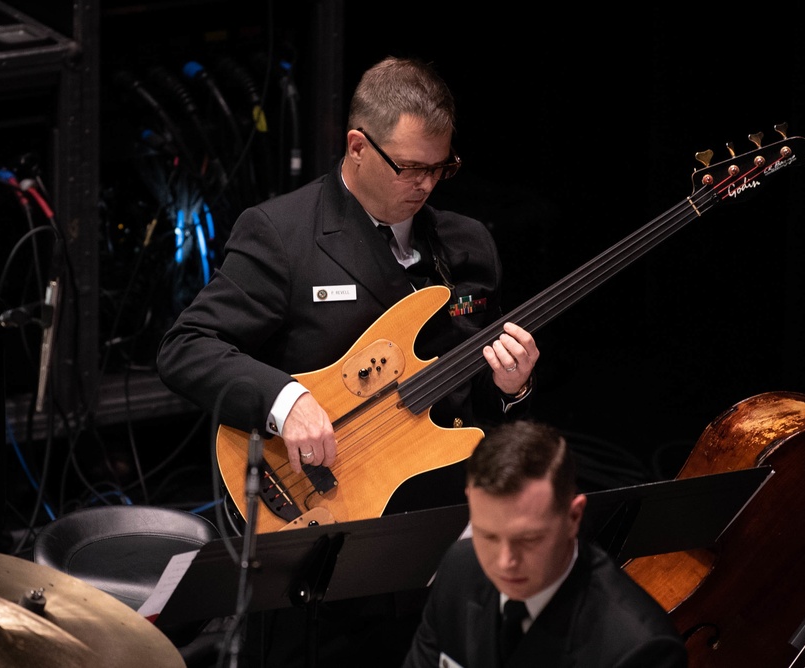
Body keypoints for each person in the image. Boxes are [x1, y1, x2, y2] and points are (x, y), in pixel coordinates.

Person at [155, 55, 539, 663]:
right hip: (323, 531)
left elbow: (474, 406)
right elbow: (186, 347)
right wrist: (287, 401)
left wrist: (510, 388)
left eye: (441, 169)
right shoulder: (281, 234)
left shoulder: (467, 246)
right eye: (410, 168)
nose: (426, 186)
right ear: (358, 147)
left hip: (441, 530)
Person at [401, 419, 688, 668]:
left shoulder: (639, 649)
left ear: (574, 516)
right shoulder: (460, 566)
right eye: (487, 535)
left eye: (528, 539)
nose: (505, 561)